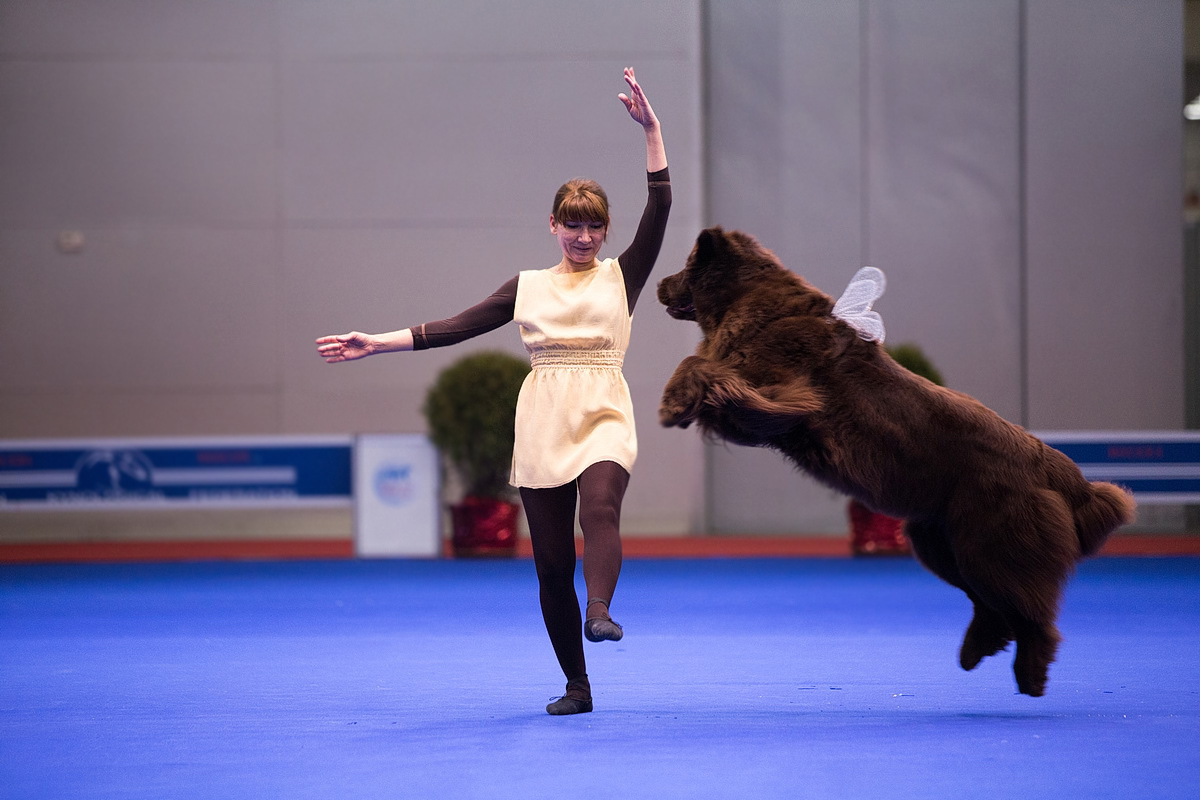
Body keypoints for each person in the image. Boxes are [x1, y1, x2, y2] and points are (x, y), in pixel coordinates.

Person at [316, 67, 670, 716]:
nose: (584, 236)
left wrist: (652, 133)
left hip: (603, 412)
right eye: (572, 224)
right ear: (554, 225)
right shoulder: (528, 285)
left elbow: (662, 207)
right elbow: (456, 326)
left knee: (601, 509)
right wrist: (378, 341)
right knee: (548, 568)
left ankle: (601, 611)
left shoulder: (623, 277)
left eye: (594, 226)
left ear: (607, 230)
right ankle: (577, 686)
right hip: (542, 420)